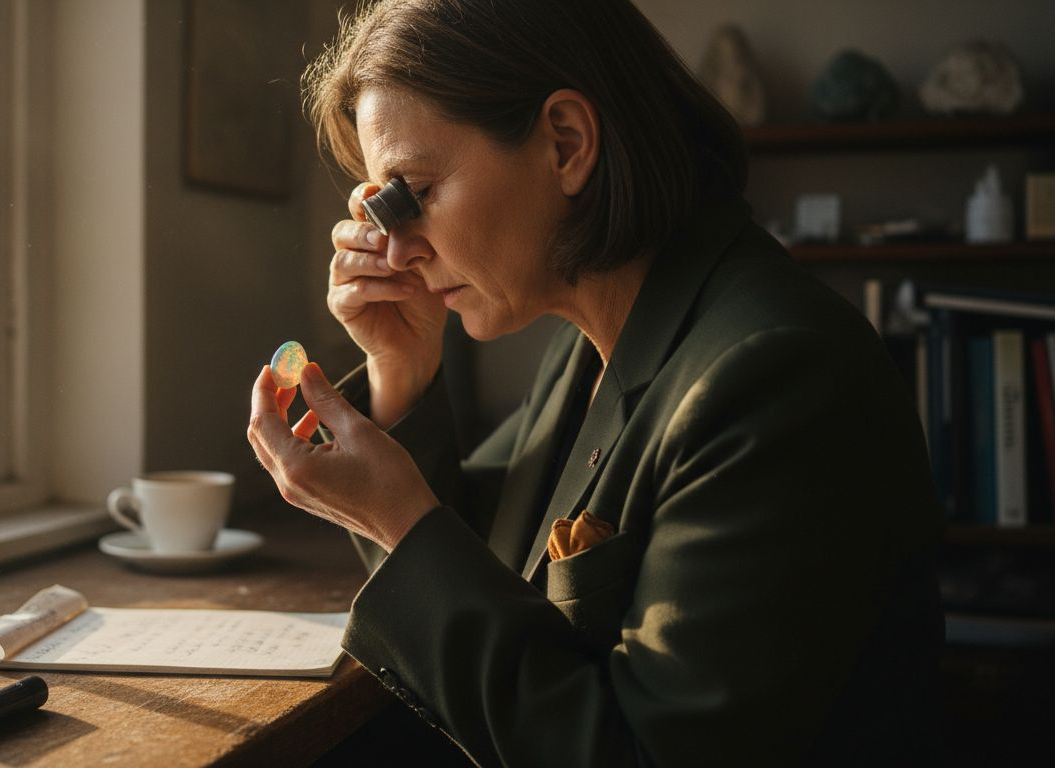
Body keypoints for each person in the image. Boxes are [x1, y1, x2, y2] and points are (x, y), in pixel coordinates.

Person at [246, 1, 943, 765]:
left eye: (409, 192)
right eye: (380, 208)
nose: (396, 247)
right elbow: (481, 560)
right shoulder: (591, 348)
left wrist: (398, 523)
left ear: (566, 143)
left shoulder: (777, 377)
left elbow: (640, 753)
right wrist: (401, 369)